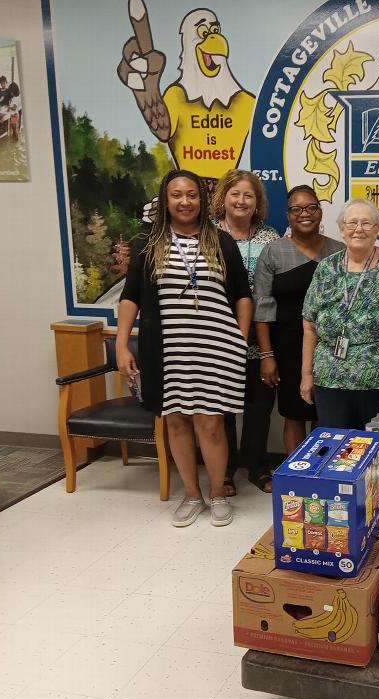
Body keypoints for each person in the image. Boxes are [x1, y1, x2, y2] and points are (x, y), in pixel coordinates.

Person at [116, 169, 252, 528]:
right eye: (176, 195)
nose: (185, 201)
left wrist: (240, 339)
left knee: (211, 423)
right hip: (167, 351)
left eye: (192, 194)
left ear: (202, 200)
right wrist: (121, 345)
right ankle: (192, 495)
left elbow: (243, 295)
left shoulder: (221, 241)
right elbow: (130, 297)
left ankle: (218, 493)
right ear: (165, 200)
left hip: (216, 348)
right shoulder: (148, 244)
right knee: (176, 421)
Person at [301, 198, 379, 429]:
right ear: (341, 229)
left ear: (376, 229)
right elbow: (309, 325)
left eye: (366, 223)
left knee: (376, 444)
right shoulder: (326, 268)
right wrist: (306, 375)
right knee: (335, 444)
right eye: (352, 223)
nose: (359, 229)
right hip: (329, 377)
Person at [253, 185, 344, 454]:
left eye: (311, 207)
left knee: (324, 414)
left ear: (320, 211)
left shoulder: (339, 252)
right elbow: (262, 307)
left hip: (329, 350)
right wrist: (267, 355)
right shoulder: (273, 252)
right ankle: (296, 470)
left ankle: (321, 471)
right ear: (288, 215)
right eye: (297, 209)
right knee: (293, 415)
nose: (305, 213)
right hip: (287, 348)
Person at [210, 169, 281, 493]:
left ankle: (256, 465)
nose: (241, 201)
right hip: (218, 336)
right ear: (223, 198)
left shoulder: (270, 238)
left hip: (260, 338)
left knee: (259, 406)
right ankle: (223, 469)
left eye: (248, 195)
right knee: (220, 406)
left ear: (257, 202)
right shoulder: (208, 235)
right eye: (235, 194)